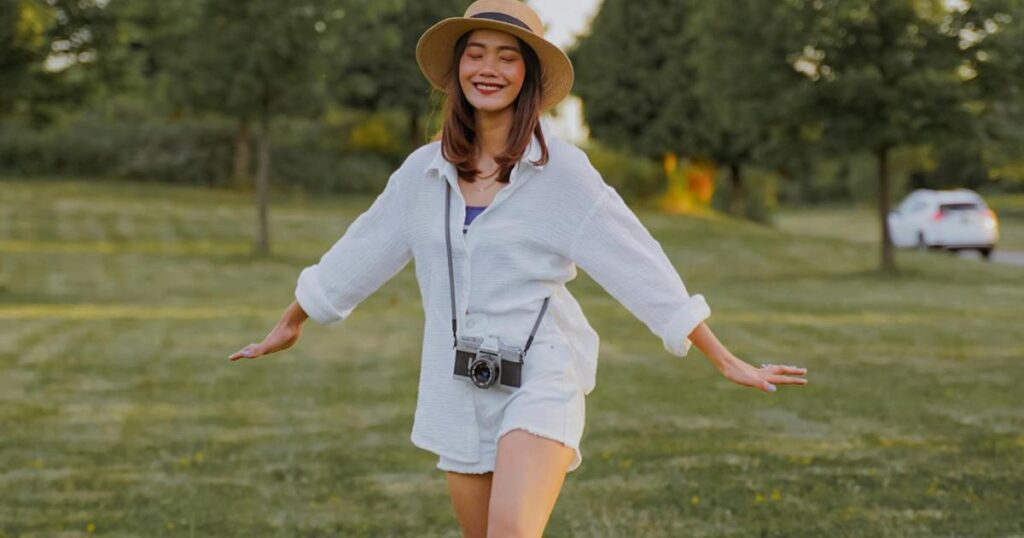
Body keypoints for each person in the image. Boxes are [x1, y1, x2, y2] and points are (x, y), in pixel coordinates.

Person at [228, 0, 809, 536]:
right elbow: (361, 249)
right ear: (457, 68)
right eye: (476, 54)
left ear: (528, 75)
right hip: (459, 384)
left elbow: (640, 264)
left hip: (542, 376)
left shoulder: (563, 174)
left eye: (507, 57)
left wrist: (721, 355)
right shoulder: (421, 174)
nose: (489, 68)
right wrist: (295, 317)